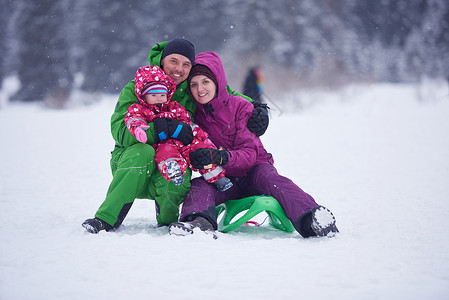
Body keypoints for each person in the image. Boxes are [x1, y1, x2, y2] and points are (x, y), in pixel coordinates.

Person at [82, 39, 269, 234]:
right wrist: (159, 130)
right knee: (142, 152)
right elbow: (119, 130)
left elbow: (224, 93)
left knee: (179, 169)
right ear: (162, 61)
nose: (179, 69)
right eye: (173, 61)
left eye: (186, 64)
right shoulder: (138, 86)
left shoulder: (190, 88)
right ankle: (106, 219)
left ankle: (166, 221)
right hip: (132, 164)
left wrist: (255, 107)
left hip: (169, 159)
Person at [168, 52, 339, 238]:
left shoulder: (240, 106)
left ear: (217, 82)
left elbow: (249, 155)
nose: (200, 89)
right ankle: (198, 224)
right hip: (224, 180)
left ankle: (312, 219)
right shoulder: (195, 116)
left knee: (273, 180)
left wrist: (220, 156)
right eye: (194, 84)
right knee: (199, 186)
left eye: (205, 82)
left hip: (255, 170)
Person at [125, 65, 233, 191]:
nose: (159, 98)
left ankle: (217, 178)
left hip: (183, 141)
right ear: (144, 96)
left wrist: (198, 135)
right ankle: (174, 170)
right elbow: (133, 119)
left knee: (200, 152)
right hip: (163, 143)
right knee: (166, 154)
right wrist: (138, 130)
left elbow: (186, 122)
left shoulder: (173, 106)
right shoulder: (140, 109)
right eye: (153, 95)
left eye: (162, 94)